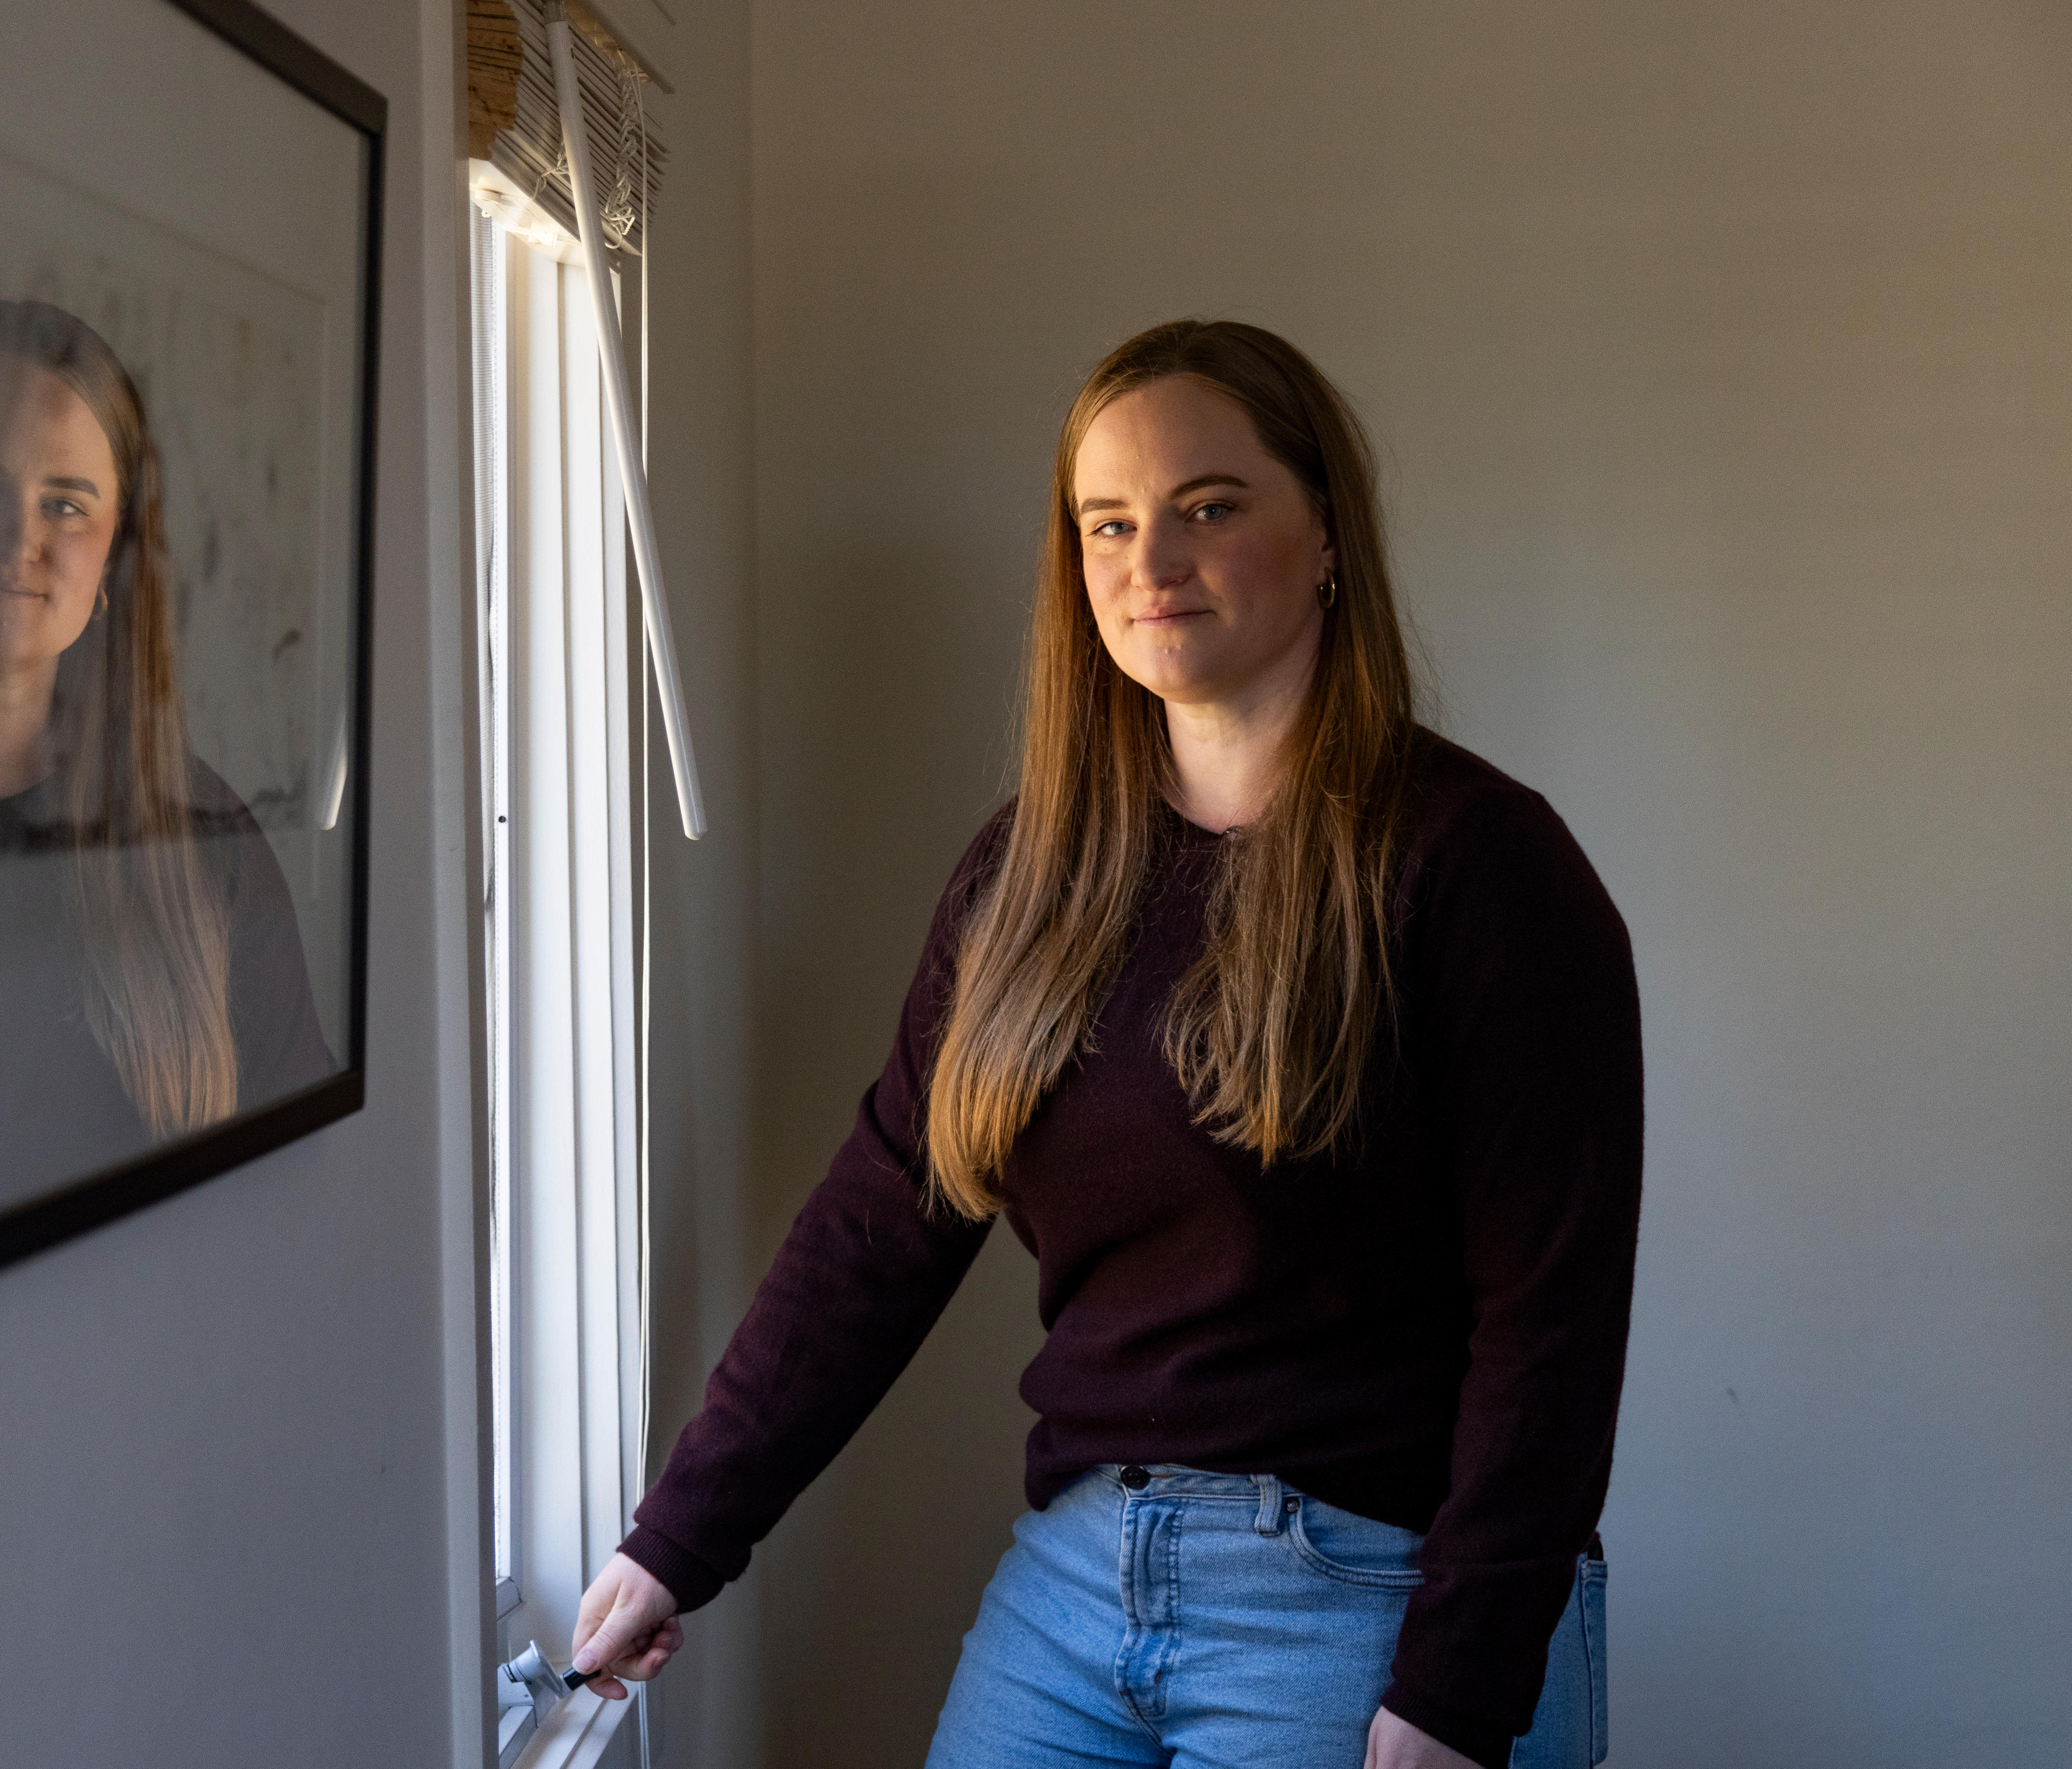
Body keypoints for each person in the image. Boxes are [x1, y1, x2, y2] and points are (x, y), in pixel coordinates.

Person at [568, 320, 1640, 1769]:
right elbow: (884, 1218)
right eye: (1110, 523)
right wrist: (679, 1535)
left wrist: (1460, 1688)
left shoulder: (1476, 865)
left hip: (1367, 1590)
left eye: (1210, 506)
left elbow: (1553, 1316)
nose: (1152, 562)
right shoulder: (1030, 874)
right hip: (1080, 1583)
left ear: (1328, 534)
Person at [0, 300, 333, 1263]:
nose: (13, 537)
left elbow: (291, 1216)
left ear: (114, 561)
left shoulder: (208, 845)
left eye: (65, 504)